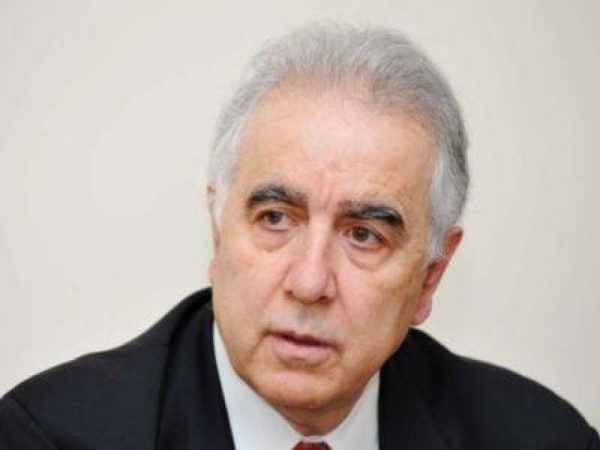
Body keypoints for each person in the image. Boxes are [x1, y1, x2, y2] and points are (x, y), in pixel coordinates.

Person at [0, 22, 598, 450]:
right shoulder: (50, 435)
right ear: (218, 234)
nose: (309, 283)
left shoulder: (542, 438)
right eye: (275, 219)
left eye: (364, 235)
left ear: (430, 277)